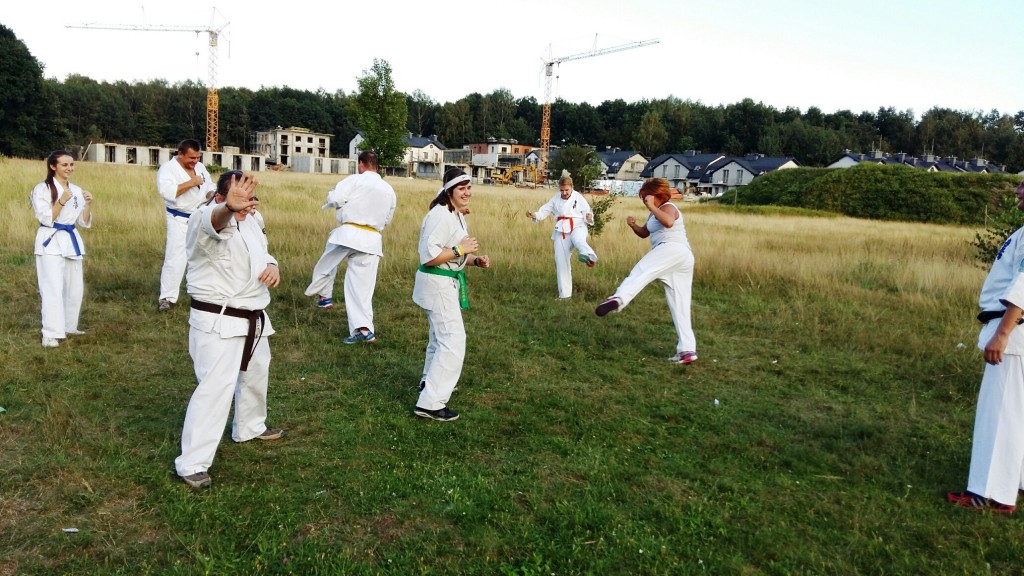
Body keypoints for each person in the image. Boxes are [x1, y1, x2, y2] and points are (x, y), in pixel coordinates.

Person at [174, 171, 284, 490]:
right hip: (217, 320)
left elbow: (262, 251)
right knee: (214, 389)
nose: (248, 206)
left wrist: (272, 266)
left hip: (253, 315)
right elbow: (216, 222)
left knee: (256, 374)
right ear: (221, 197)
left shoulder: (253, 218)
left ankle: (250, 426)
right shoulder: (203, 218)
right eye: (240, 200)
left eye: (251, 199)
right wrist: (228, 209)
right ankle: (192, 463)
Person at [948, 180, 1024, 513]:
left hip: (1014, 331)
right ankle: (1015, 482)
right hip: (1014, 328)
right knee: (1017, 412)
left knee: (999, 412)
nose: (1018, 191)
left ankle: (987, 492)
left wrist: (1003, 333)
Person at [412, 167, 490, 421]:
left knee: (439, 339)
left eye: (469, 188)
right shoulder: (440, 215)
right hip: (437, 285)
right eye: (461, 188)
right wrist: (460, 249)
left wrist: (474, 260)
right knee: (453, 341)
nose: (467, 193)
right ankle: (431, 403)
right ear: (449, 191)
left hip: (444, 283)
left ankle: (428, 383)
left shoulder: (454, 214)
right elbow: (429, 256)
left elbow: (453, 254)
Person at [595, 178, 697, 365]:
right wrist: (633, 225)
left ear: (657, 195)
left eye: (646, 197)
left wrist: (651, 206)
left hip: (673, 249)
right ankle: (687, 351)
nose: (644, 201)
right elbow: (645, 233)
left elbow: (668, 222)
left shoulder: (669, 207)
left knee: (641, 271)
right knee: (679, 304)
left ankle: (618, 299)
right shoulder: (654, 213)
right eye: (642, 198)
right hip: (681, 257)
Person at [304, 150, 397, 344]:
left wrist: (333, 199)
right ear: (376, 165)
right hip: (372, 239)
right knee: (361, 288)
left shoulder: (354, 180)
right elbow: (387, 219)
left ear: (361, 164)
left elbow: (336, 199)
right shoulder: (389, 189)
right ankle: (364, 330)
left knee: (326, 265)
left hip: (348, 233)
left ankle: (325, 297)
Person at [31, 150, 93, 348]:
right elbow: (46, 218)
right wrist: (62, 200)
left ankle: (69, 326)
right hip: (50, 240)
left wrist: (87, 205)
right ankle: (50, 334)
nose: (69, 168)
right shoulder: (42, 189)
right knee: (52, 287)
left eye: (71, 164)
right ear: (53, 166)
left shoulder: (76, 189)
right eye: (64, 165)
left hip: (71, 240)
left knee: (75, 287)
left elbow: (83, 222)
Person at [157, 139, 216, 313]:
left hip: (200, 217)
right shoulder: (167, 169)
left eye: (198, 157)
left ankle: (204, 294)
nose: (195, 161)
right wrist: (191, 182)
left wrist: (213, 194)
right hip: (179, 219)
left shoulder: (200, 167)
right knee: (175, 258)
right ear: (180, 154)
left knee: (206, 255)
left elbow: (209, 185)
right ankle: (166, 298)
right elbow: (167, 192)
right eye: (191, 158)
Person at [525, 175, 598, 299]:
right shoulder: (555, 199)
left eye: (566, 190)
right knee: (561, 260)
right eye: (562, 190)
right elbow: (545, 210)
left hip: (578, 225)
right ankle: (565, 295)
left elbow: (587, 212)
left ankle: (589, 255)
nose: (564, 193)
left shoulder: (578, 197)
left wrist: (589, 217)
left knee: (578, 240)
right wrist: (534, 215)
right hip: (562, 228)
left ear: (572, 187)